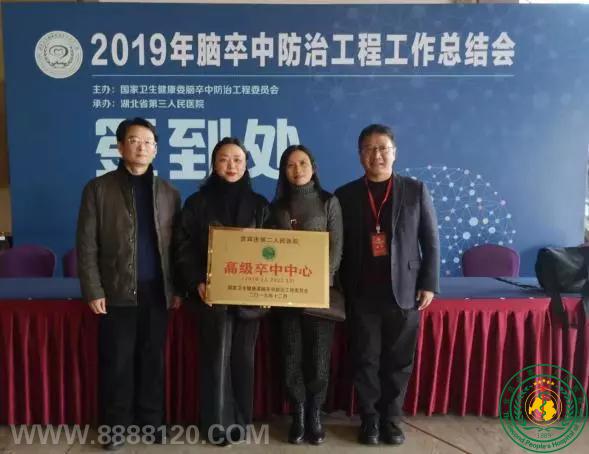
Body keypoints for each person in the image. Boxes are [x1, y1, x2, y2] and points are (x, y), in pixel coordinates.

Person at [76, 117, 182, 450]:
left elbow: (177, 248)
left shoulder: (169, 193)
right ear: (120, 147)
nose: (141, 147)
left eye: (148, 141)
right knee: (117, 364)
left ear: (156, 149)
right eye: (134, 140)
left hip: (157, 292)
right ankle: (115, 428)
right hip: (116, 292)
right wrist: (94, 289)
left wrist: (176, 289)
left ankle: (152, 423)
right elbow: (86, 245)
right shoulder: (98, 189)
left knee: (152, 362)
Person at [335, 124, 439, 445]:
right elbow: (336, 245)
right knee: (365, 359)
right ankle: (369, 420)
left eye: (383, 148)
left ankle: (392, 420)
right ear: (360, 155)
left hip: (405, 291)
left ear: (394, 153)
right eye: (369, 149)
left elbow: (430, 240)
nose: (376, 155)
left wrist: (429, 283)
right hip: (361, 292)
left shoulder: (415, 190)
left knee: (398, 361)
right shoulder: (345, 195)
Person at [174, 137, 269, 445]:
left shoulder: (260, 205)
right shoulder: (197, 203)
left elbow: (272, 251)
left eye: (238, 160)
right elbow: (183, 248)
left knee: (243, 360)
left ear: (246, 165)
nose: (231, 165)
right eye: (224, 159)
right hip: (211, 296)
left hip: (249, 298)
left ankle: (241, 421)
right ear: (214, 164)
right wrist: (197, 281)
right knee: (216, 360)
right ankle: (216, 424)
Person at [270, 145, 343, 445]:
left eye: (302, 163)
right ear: (284, 171)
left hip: (319, 294)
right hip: (286, 295)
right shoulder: (277, 207)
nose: (297, 169)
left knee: (318, 357)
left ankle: (315, 414)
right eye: (290, 165)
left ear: (313, 167)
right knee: (291, 356)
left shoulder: (328, 202)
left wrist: (318, 283)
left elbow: (336, 249)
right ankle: (298, 413)